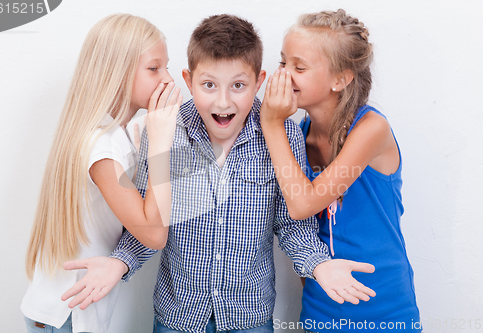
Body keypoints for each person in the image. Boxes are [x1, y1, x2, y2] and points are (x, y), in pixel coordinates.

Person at [61, 14, 375, 333]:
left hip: (249, 316)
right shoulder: (167, 132)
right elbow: (152, 218)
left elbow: (293, 226)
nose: (223, 101)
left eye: (238, 85)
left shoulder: (284, 136)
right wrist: (121, 261)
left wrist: (318, 264)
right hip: (178, 316)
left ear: (259, 81)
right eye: (209, 85)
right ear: (188, 79)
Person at [260, 9, 421, 332]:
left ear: (341, 79)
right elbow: (297, 222)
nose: (284, 75)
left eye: (299, 67)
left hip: (383, 304)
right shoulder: (299, 134)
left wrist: (271, 122)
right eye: (282, 62)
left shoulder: (372, 129)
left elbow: (303, 204)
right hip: (322, 302)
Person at [21, 14, 182, 333]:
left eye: (166, 66)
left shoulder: (112, 135)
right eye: (154, 68)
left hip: (65, 309)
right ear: (117, 72)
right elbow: (153, 233)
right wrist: (161, 141)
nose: (168, 80)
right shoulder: (101, 145)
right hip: (66, 315)